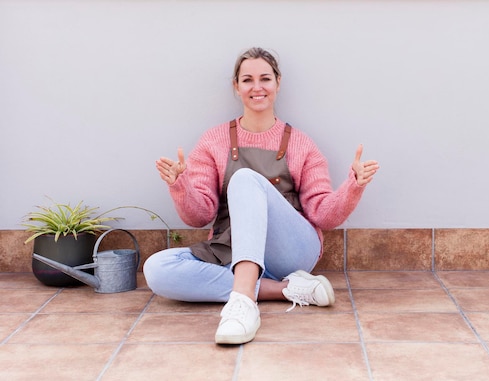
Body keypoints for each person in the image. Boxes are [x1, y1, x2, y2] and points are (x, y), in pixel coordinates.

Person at [143, 47, 379, 345]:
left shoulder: (301, 144)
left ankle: (242, 305)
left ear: (277, 84)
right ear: (236, 87)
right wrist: (180, 184)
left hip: (290, 251)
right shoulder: (213, 141)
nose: (257, 87)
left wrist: (353, 186)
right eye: (247, 80)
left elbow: (322, 215)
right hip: (230, 249)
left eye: (265, 79)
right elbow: (199, 216)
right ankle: (285, 290)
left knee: (243, 179)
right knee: (157, 269)